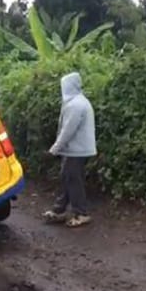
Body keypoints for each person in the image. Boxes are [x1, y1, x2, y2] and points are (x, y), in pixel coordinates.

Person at [42, 72, 97, 228]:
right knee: (67, 178)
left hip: (77, 150)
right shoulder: (77, 102)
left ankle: (82, 213)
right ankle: (59, 210)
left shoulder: (75, 105)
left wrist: (54, 150)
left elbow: (67, 131)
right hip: (75, 150)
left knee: (73, 180)